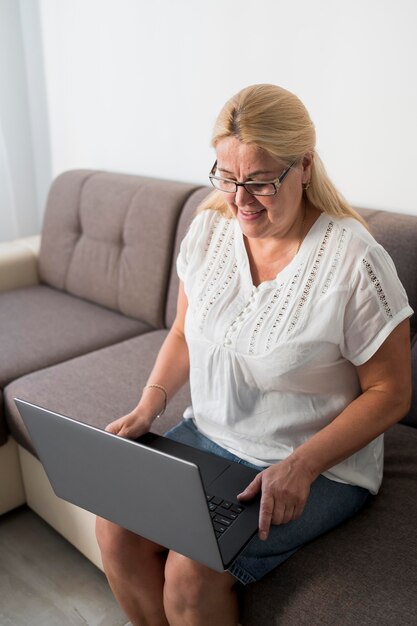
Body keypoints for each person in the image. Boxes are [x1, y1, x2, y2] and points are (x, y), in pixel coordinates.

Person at [95, 84, 413, 626]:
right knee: (114, 526)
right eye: (226, 177)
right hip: (210, 434)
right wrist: (149, 406)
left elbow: (391, 392)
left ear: (305, 166)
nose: (240, 199)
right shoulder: (209, 227)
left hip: (315, 464)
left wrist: (303, 464)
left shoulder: (356, 260)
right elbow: (181, 331)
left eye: (261, 182)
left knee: (192, 569)